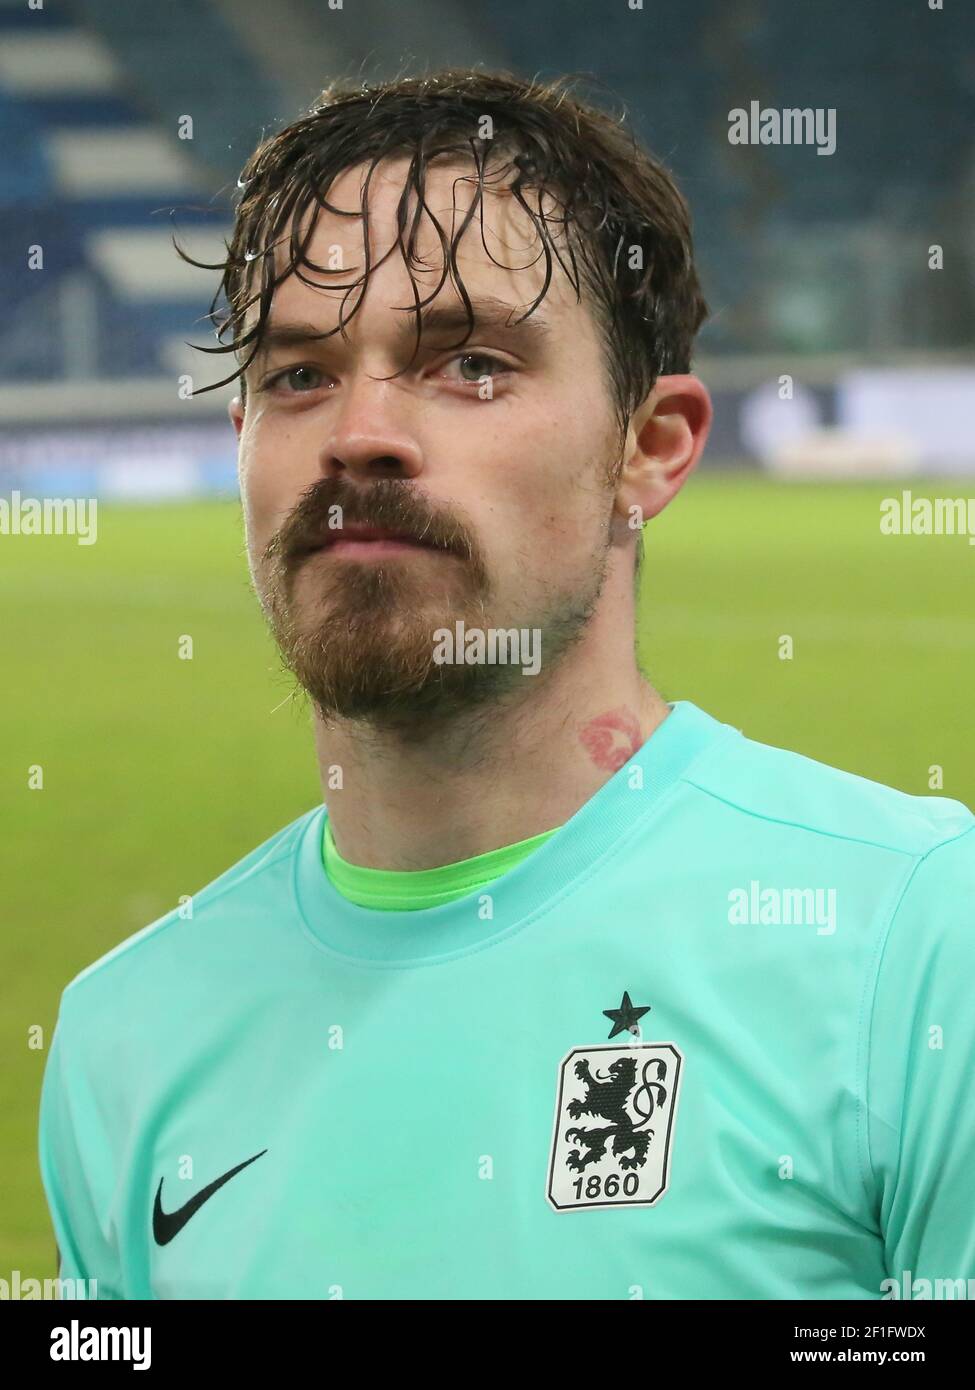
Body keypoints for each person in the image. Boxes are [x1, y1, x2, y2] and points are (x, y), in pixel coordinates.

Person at [39, 69, 975, 1300]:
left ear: (647, 449)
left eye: (471, 362)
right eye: (299, 373)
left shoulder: (916, 938)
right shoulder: (122, 1037)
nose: (359, 431)